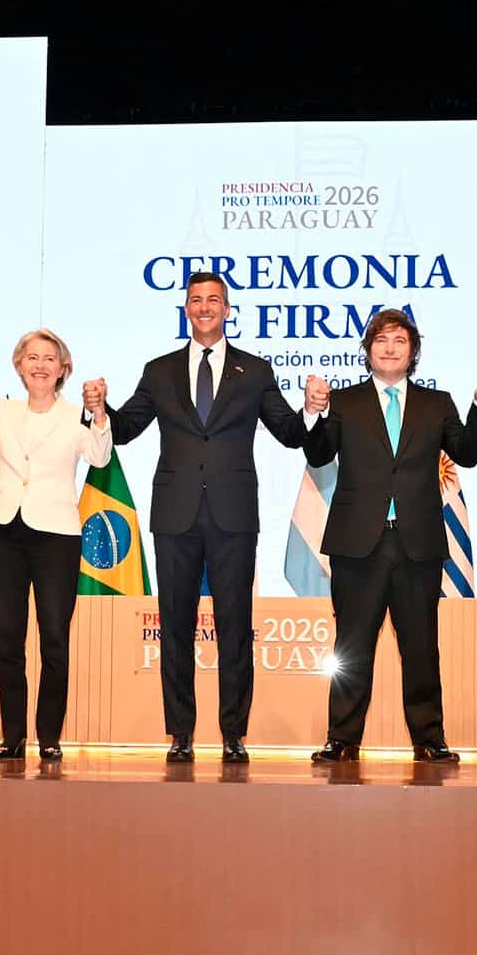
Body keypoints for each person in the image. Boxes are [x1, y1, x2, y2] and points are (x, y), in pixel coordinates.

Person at [83, 271, 307, 764]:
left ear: (227, 310)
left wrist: (312, 409)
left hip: (234, 516)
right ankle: (180, 733)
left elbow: (291, 433)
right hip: (175, 515)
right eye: (196, 300)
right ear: (185, 310)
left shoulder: (256, 370)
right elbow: (124, 430)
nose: (205, 307)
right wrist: (98, 409)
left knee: (235, 626)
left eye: (214, 300)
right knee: (176, 628)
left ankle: (233, 733)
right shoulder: (159, 370)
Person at [300, 309, 477, 763]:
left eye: (400, 341)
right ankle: (342, 738)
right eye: (381, 340)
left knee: (421, 647)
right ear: (367, 351)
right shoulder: (343, 403)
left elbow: (466, 452)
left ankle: (429, 739)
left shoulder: (437, 403)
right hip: (357, 544)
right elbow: (318, 452)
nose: (390, 348)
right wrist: (312, 412)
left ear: (413, 353)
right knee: (351, 646)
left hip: (417, 543)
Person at [0, 329, 111, 762]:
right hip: (7, 534)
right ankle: (13, 736)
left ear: (63, 369)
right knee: (7, 638)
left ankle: (49, 735)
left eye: (50, 358)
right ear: (19, 366)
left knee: (54, 639)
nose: (40, 364)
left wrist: (99, 414)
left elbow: (100, 458)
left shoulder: (76, 416)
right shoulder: (3, 412)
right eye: (32, 357)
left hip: (57, 537)